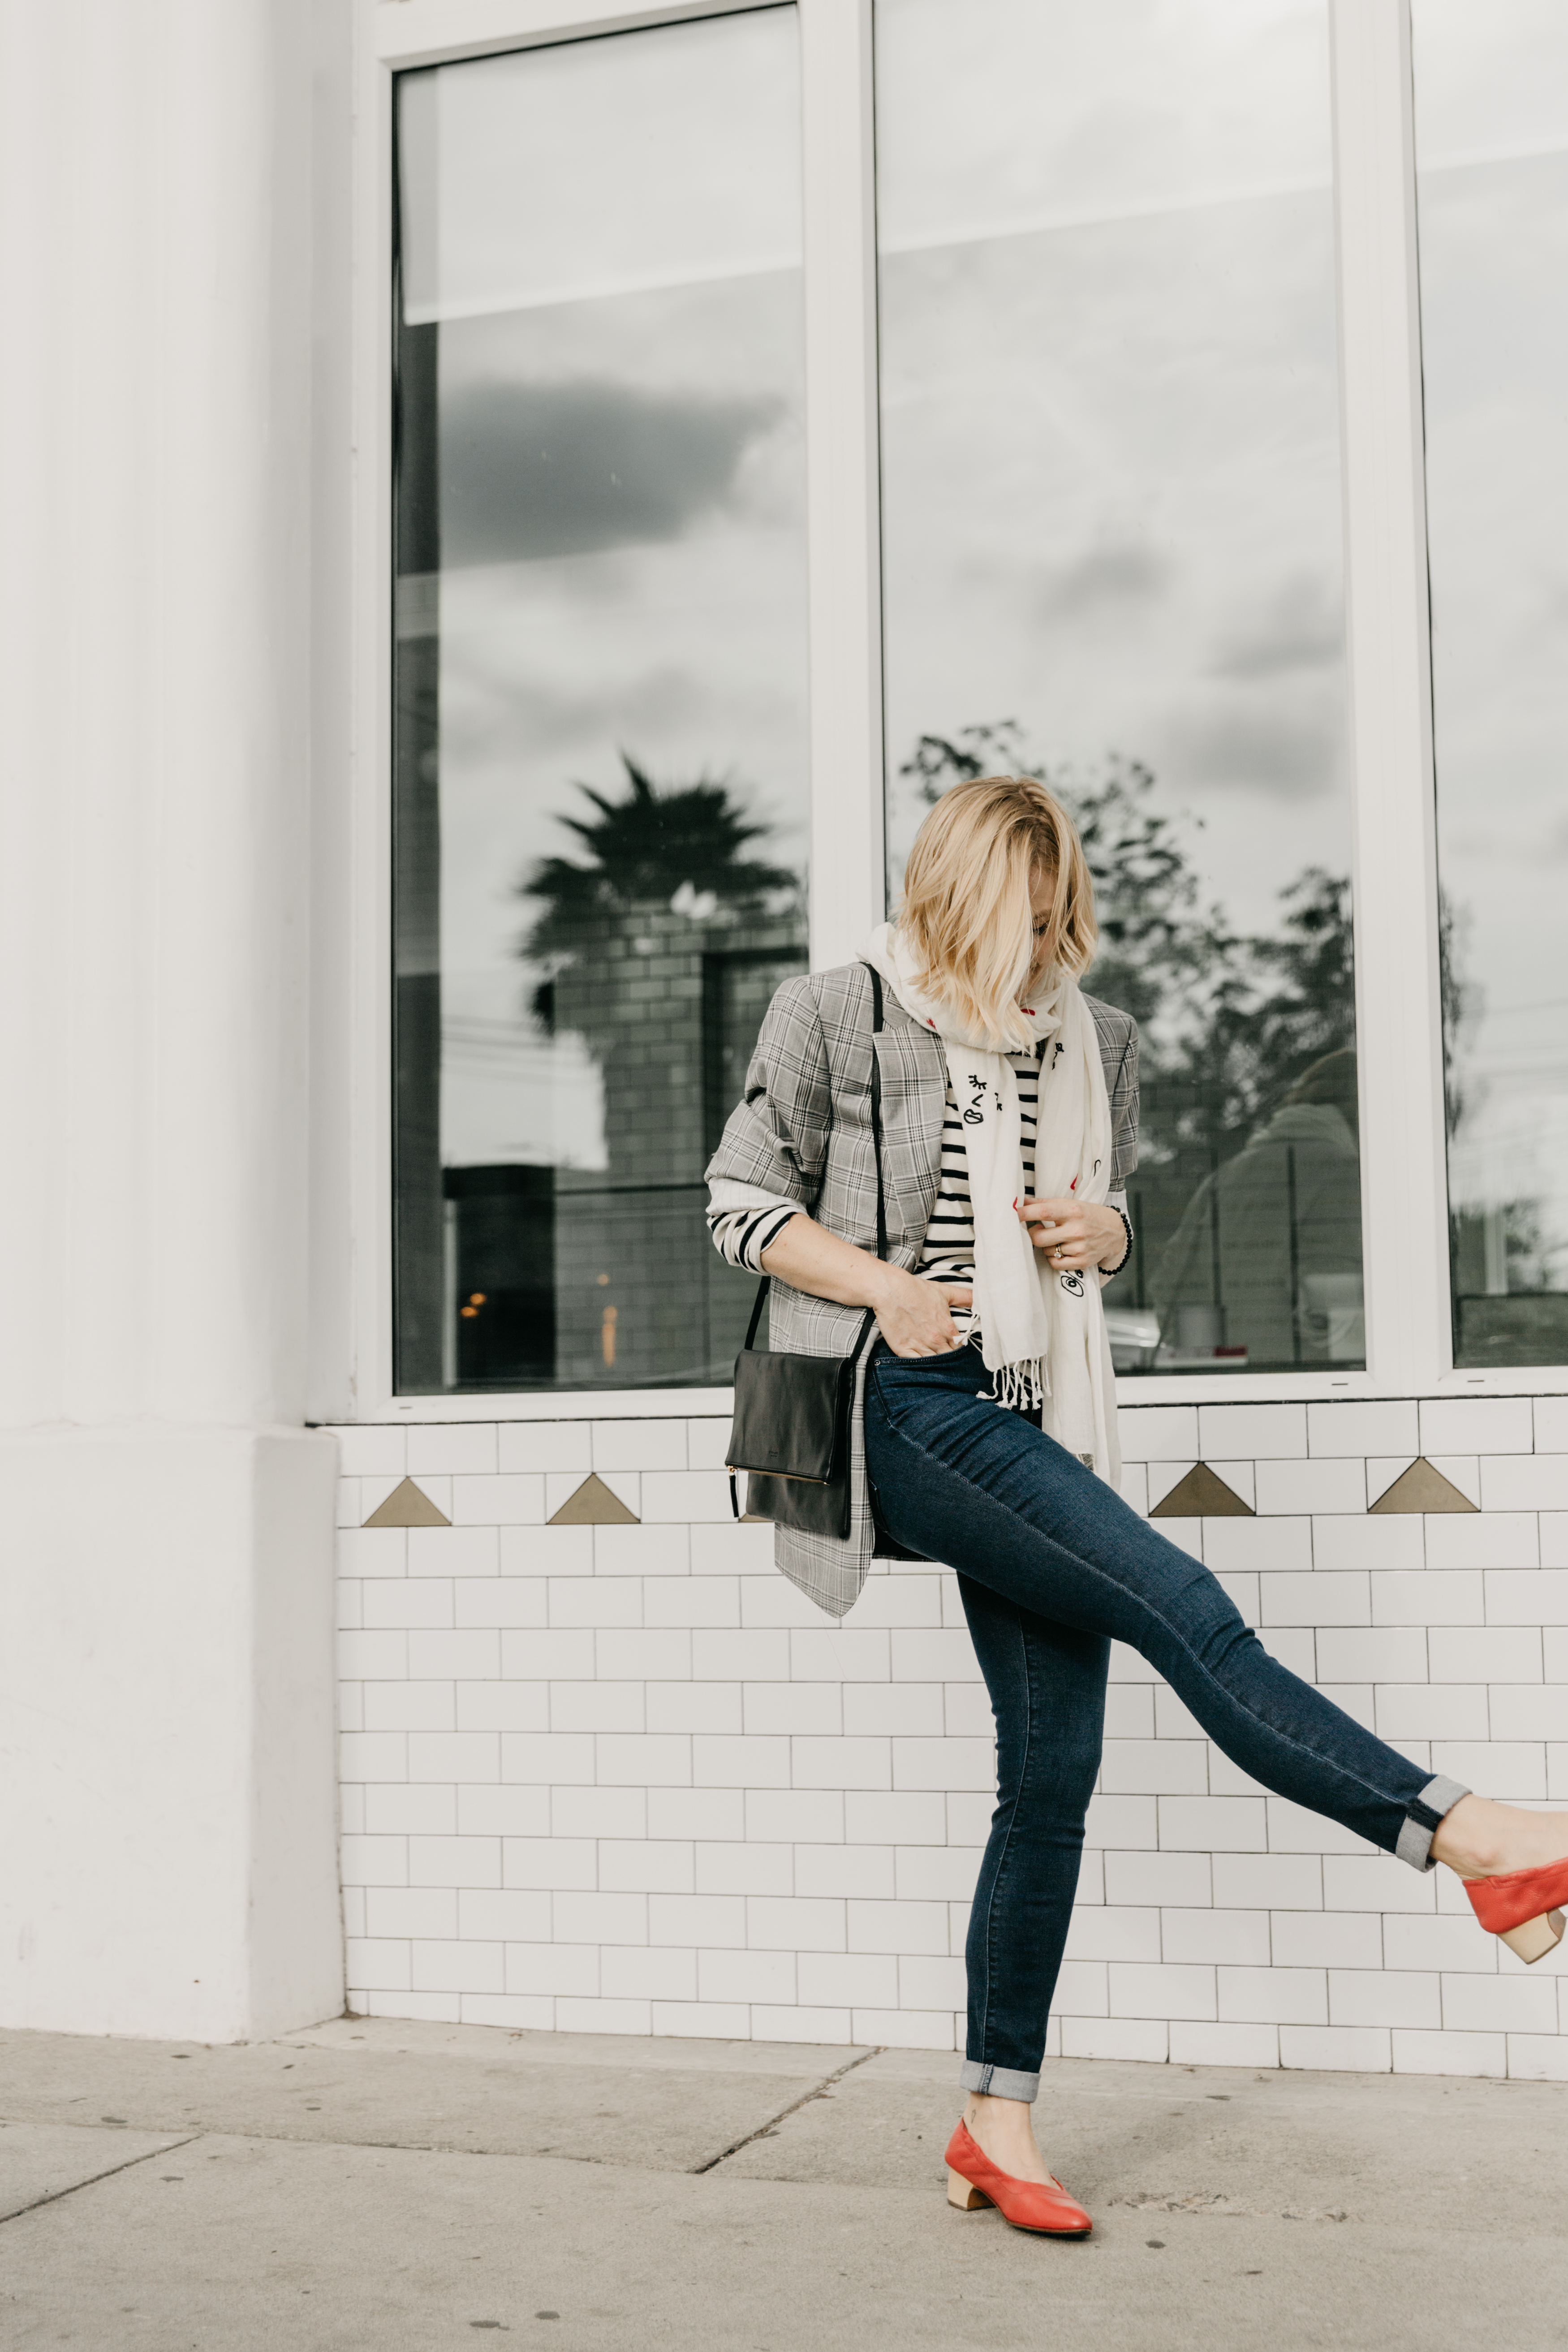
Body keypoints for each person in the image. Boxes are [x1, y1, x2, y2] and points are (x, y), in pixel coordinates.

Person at [705, 774, 1568, 2240]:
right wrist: (893, 1289)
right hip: (899, 1407)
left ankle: (993, 2122)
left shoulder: (1098, 1039)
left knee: (1046, 1785)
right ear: (947, 901)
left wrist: (1106, 1228)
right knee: (1189, 1611)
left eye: (1053, 924)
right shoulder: (833, 1010)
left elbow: (1109, 1225)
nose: (1035, 957)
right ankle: (1471, 1835)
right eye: (1009, 924)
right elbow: (737, 1203)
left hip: (1035, 1408)